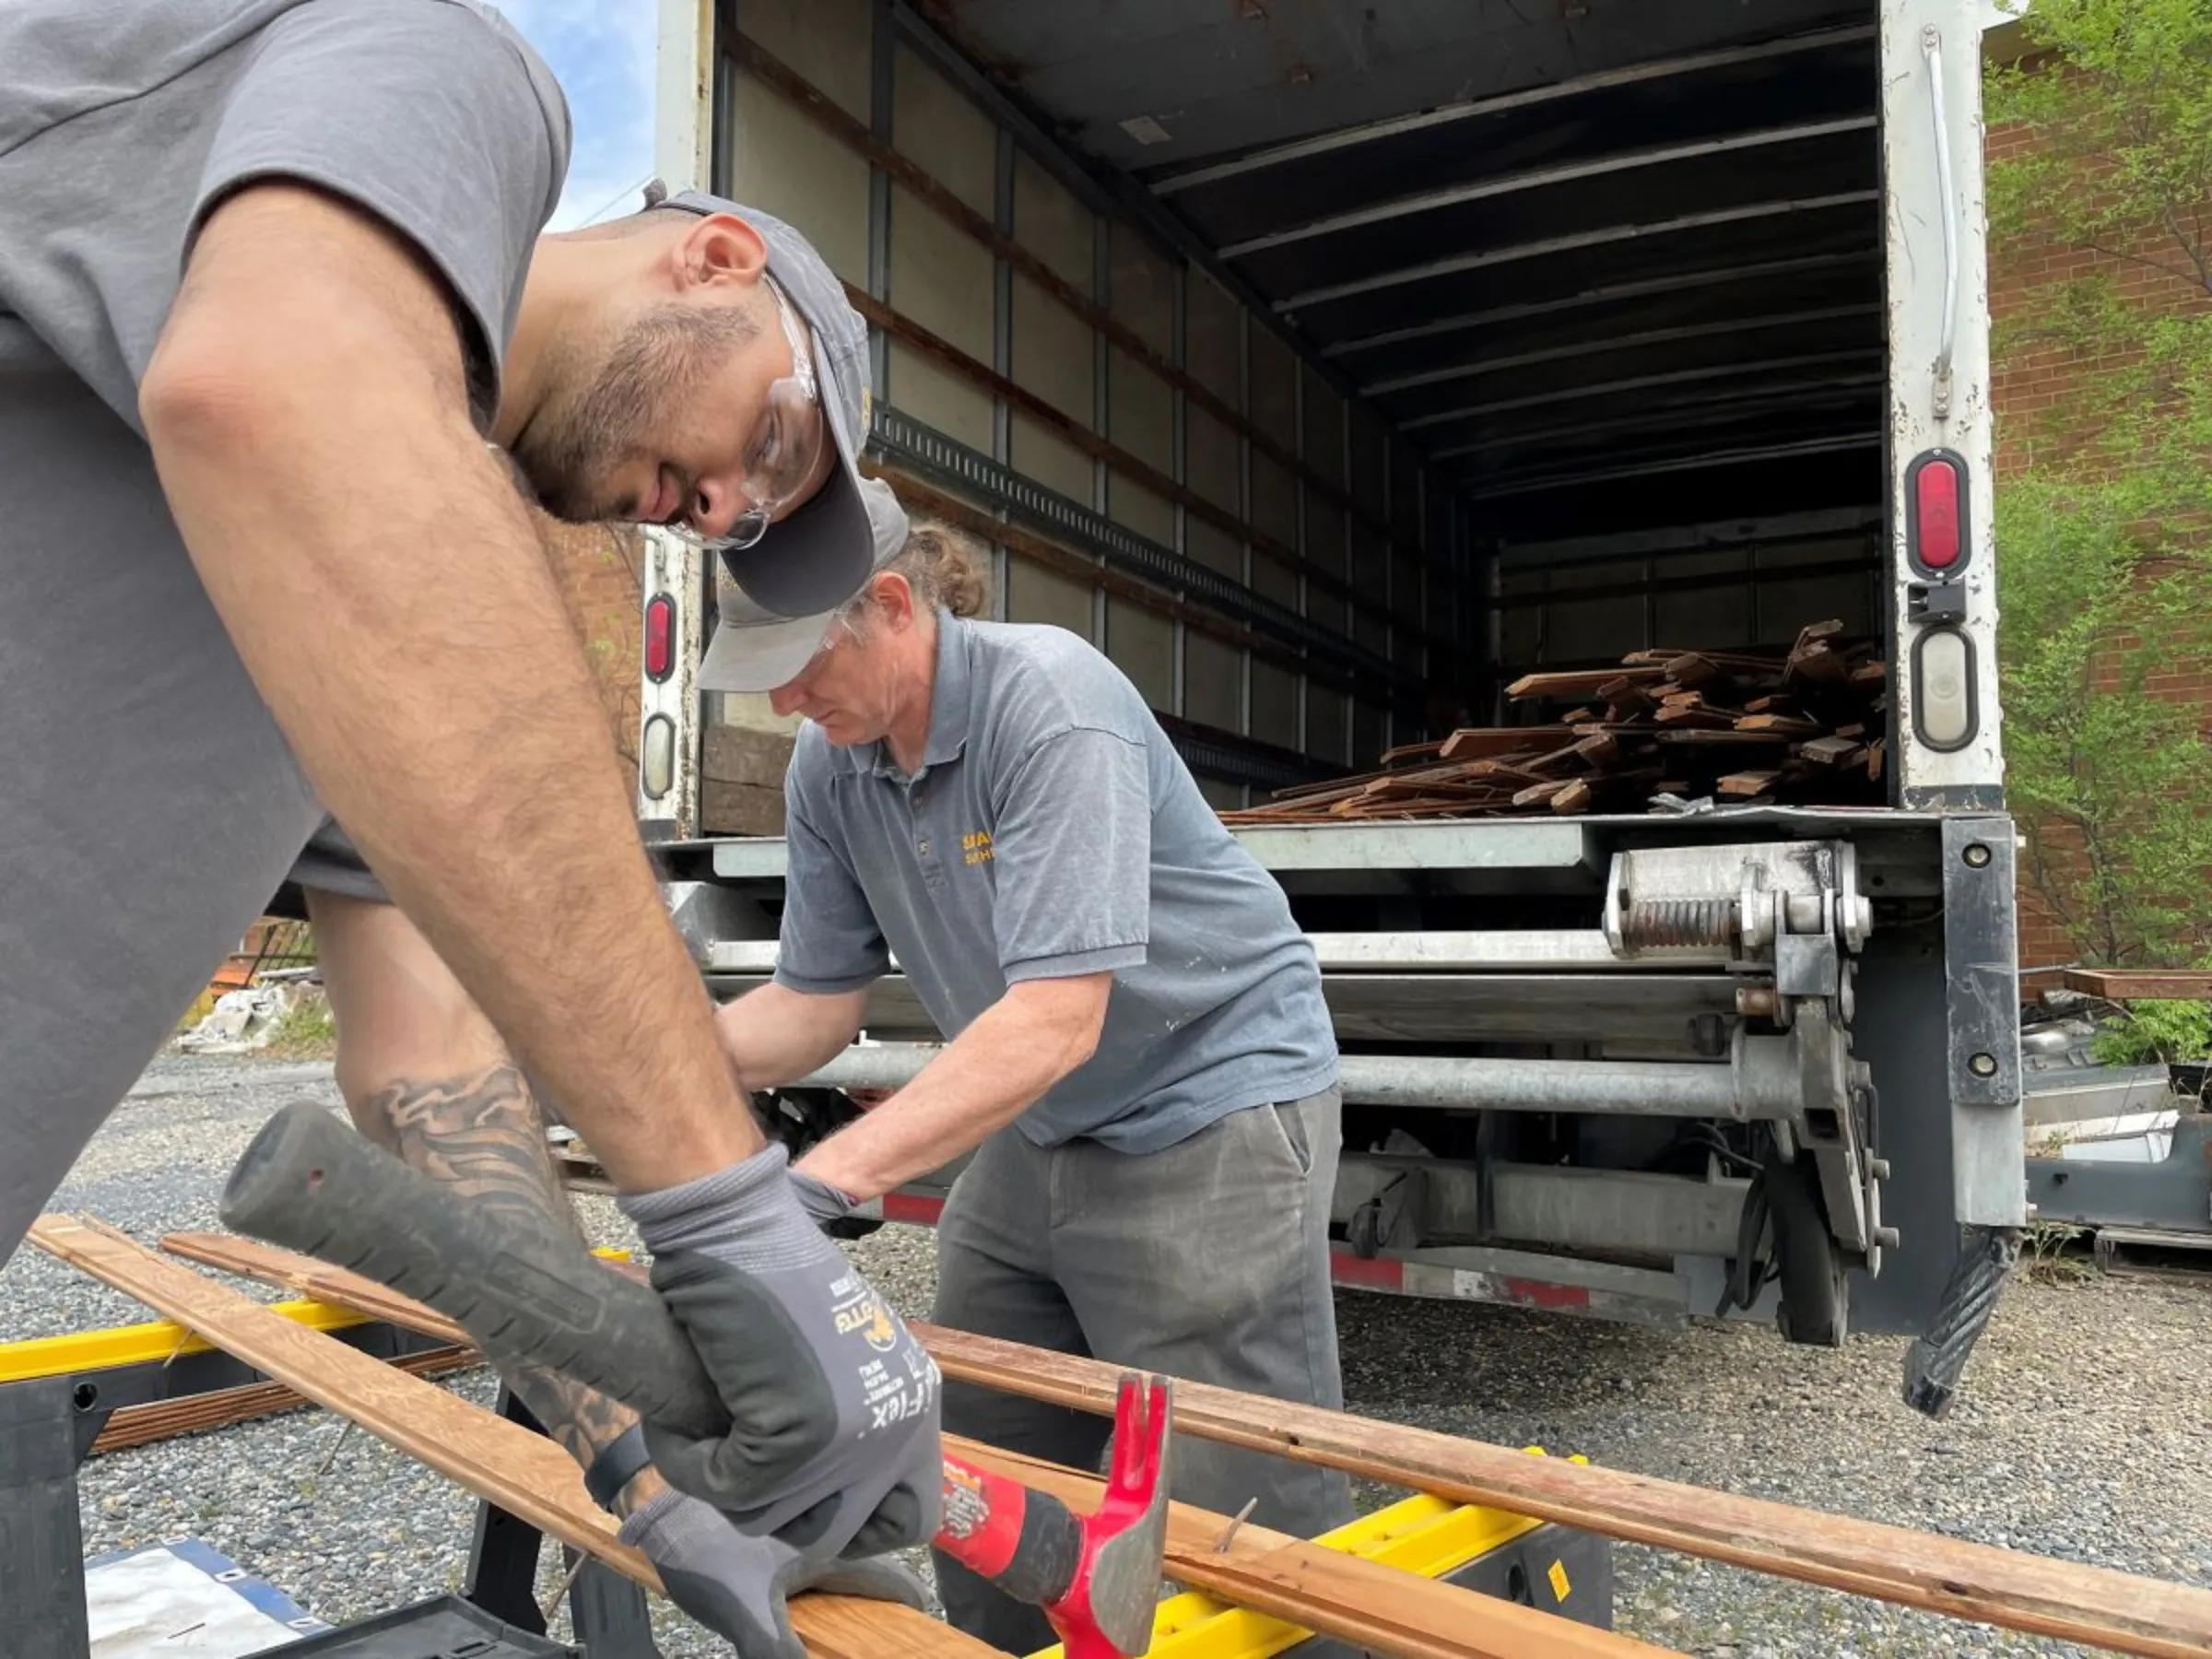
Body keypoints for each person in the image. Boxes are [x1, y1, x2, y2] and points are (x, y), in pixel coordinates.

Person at [0, 3, 937, 1647]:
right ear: (714, 259)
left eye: (757, 525)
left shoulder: (364, 637)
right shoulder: (447, 65)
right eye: (767, 446)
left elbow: (436, 1079)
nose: (724, 510)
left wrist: (644, 1474)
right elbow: (275, 386)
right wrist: (721, 1205)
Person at [709, 503, 1359, 1653]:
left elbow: (1058, 1019)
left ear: (895, 608)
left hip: (1207, 1093)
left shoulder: (1049, 704)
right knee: (987, 1434)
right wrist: (645, 1066)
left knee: (1227, 1504)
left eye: (799, 666)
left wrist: (817, 1185)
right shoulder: (834, 764)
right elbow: (814, 1008)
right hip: (1050, 1119)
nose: (782, 705)